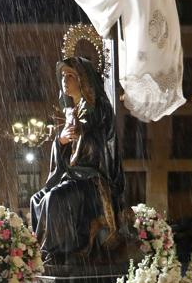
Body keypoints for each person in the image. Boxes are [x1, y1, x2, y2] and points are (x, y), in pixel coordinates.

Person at [29, 55, 125, 263]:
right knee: (37, 198)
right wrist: (61, 141)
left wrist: (81, 131)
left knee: (54, 199)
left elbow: (100, 146)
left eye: (70, 75)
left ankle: (59, 253)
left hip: (91, 179)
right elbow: (64, 153)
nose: (65, 79)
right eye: (63, 75)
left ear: (83, 79)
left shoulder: (99, 109)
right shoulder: (72, 112)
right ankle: (40, 252)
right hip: (72, 176)